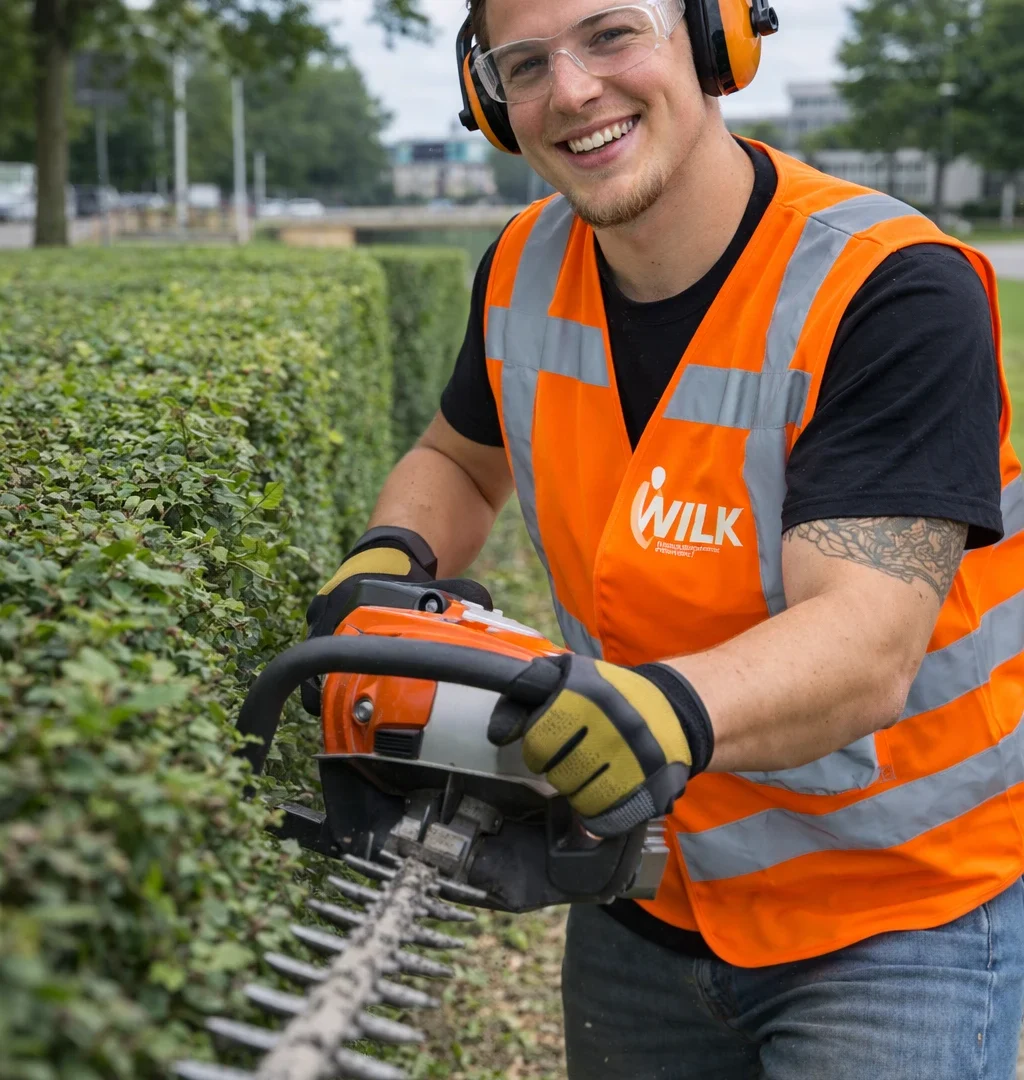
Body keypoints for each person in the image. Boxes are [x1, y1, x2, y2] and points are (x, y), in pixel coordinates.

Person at [303, 0, 1024, 1075]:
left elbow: (868, 646)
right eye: (526, 62)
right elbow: (458, 461)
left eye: (609, 34)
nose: (573, 89)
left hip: (892, 913)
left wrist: (660, 713)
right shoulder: (522, 267)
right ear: (488, 97)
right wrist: (387, 563)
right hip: (641, 884)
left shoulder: (886, 288)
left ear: (715, 34)